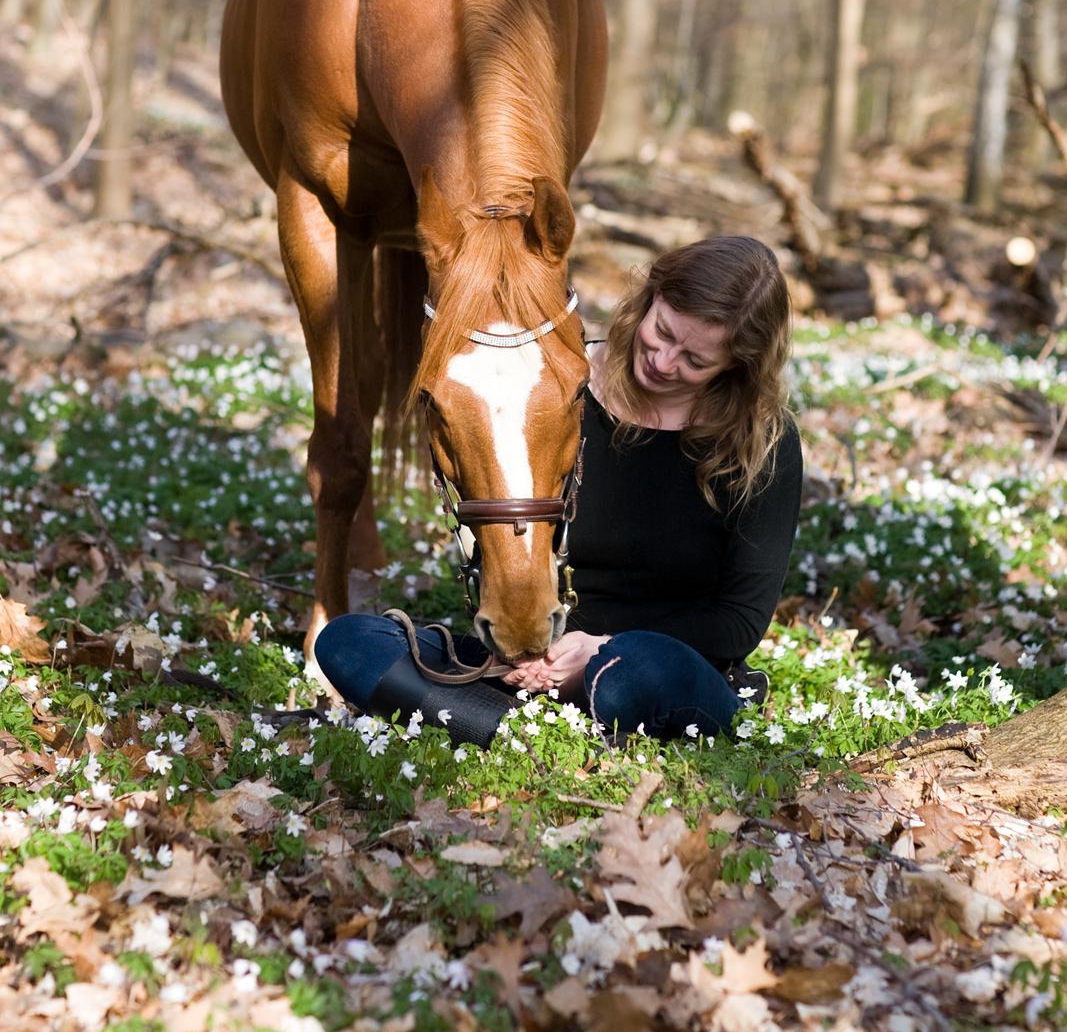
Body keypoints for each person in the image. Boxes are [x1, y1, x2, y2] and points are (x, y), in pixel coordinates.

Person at [314, 235, 803, 747]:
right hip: (533, 660)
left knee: (634, 670)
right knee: (350, 643)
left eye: (695, 360)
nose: (662, 360)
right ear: (650, 297)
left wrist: (596, 647)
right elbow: (505, 540)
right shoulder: (555, 389)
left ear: (736, 366)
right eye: (661, 331)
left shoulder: (762, 443)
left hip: (663, 665)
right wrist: (520, 649)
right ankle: (529, 733)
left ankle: (494, 726)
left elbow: (739, 622)